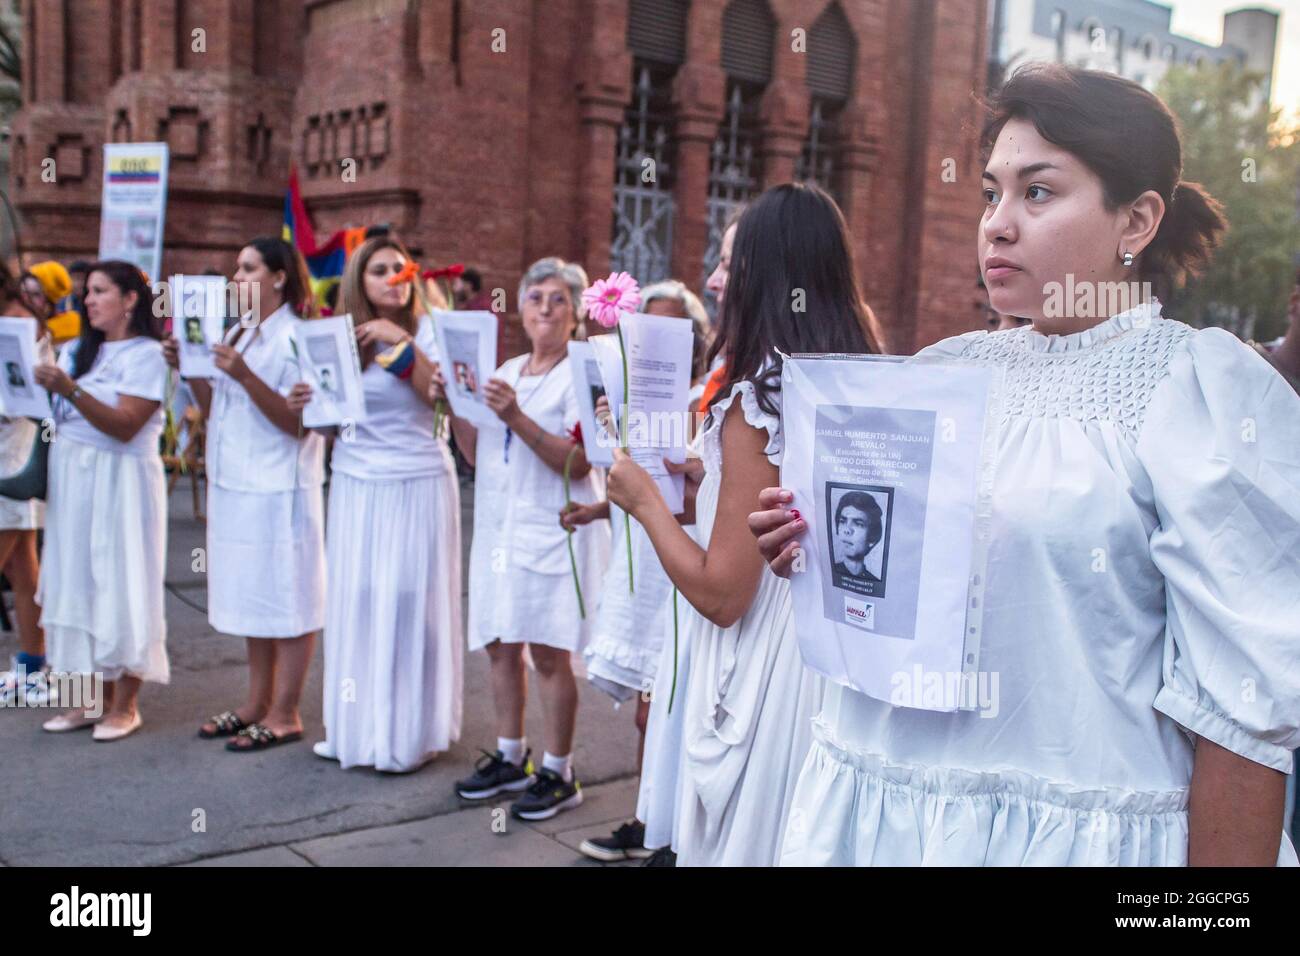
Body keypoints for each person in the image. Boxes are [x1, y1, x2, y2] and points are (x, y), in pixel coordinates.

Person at [751, 64, 1300, 866]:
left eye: (1037, 192)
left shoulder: (1200, 390)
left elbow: (1244, 717)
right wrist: (815, 550)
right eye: (989, 193)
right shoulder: (942, 372)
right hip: (879, 817)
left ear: (1137, 220)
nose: (997, 225)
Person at [604, 183, 878, 866]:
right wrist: (709, 483)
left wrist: (642, 499)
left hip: (769, 660)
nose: (718, 279)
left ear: (773, 275)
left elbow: (724, 596)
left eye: (733, 261)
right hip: (831, 654)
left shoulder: (756, 400)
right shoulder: (851, 377)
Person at [446, 256, 609, 821]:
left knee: (547, 651)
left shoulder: (582, 374)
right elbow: (474, 455)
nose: (545, 306)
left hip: (550, 528)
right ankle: (511, 756)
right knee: (499, 643)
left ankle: (560, 770)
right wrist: (459, 407)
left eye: (558, 298)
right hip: (498, 528)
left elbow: (581, 460)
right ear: (519, 307)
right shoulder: (508, 372)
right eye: (536, 296)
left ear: (577, 313)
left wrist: (514, 417)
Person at [564, 278, 710, 862]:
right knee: (649, 708)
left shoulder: (705, 396)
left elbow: (689, 492)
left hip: (678, 560)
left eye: (668, 329)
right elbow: (636, 478)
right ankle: (647, 820)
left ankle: (669, 832)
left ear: (694, 343)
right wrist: (602, 498)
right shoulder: (638, 395)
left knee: (670, 705)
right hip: (641, 556)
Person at [163, 237, 323, 753]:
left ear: (279, 277)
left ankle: (286, 711)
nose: (237, 279)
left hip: (281, 486)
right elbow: (216, 409)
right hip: (237, 481)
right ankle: (256, 702)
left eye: (249, 269)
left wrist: (243, 374)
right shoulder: (240, 332)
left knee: (289, 596)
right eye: (236, 269)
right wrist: (191, 370)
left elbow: (297, 424)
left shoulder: (297, 337)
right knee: (256, 596)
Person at [313, 235, 463, 772]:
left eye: (401, 268)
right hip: (355, 484)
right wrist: (308, 403)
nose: (393, 278)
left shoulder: (435, 332)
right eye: (380, 270)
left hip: (415, 481)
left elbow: (441, 401)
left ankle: (406, 734)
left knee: (407, 603)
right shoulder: (341, 338)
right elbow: (331, 424)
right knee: (358, 601)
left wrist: (401, 343)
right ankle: (356, 728)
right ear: (360, 280)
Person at [33, 261, 169, 740]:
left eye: (98, 291)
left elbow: (125, 424)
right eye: (85, 292)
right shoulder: (74, 351)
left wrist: (69, 389)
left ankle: (124, 703)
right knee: (73, 577)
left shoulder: (148, 356)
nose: (87, 301)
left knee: (120, 577)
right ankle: (80, 697)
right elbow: (49, 413)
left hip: (122, 479)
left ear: (130, 299)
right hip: (73, 475)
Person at [830, 491, 883, 585]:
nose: (847, 530)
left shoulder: (875, 582)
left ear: (872, 539)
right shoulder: (827, 573)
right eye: (842, 521)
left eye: (858, 524)